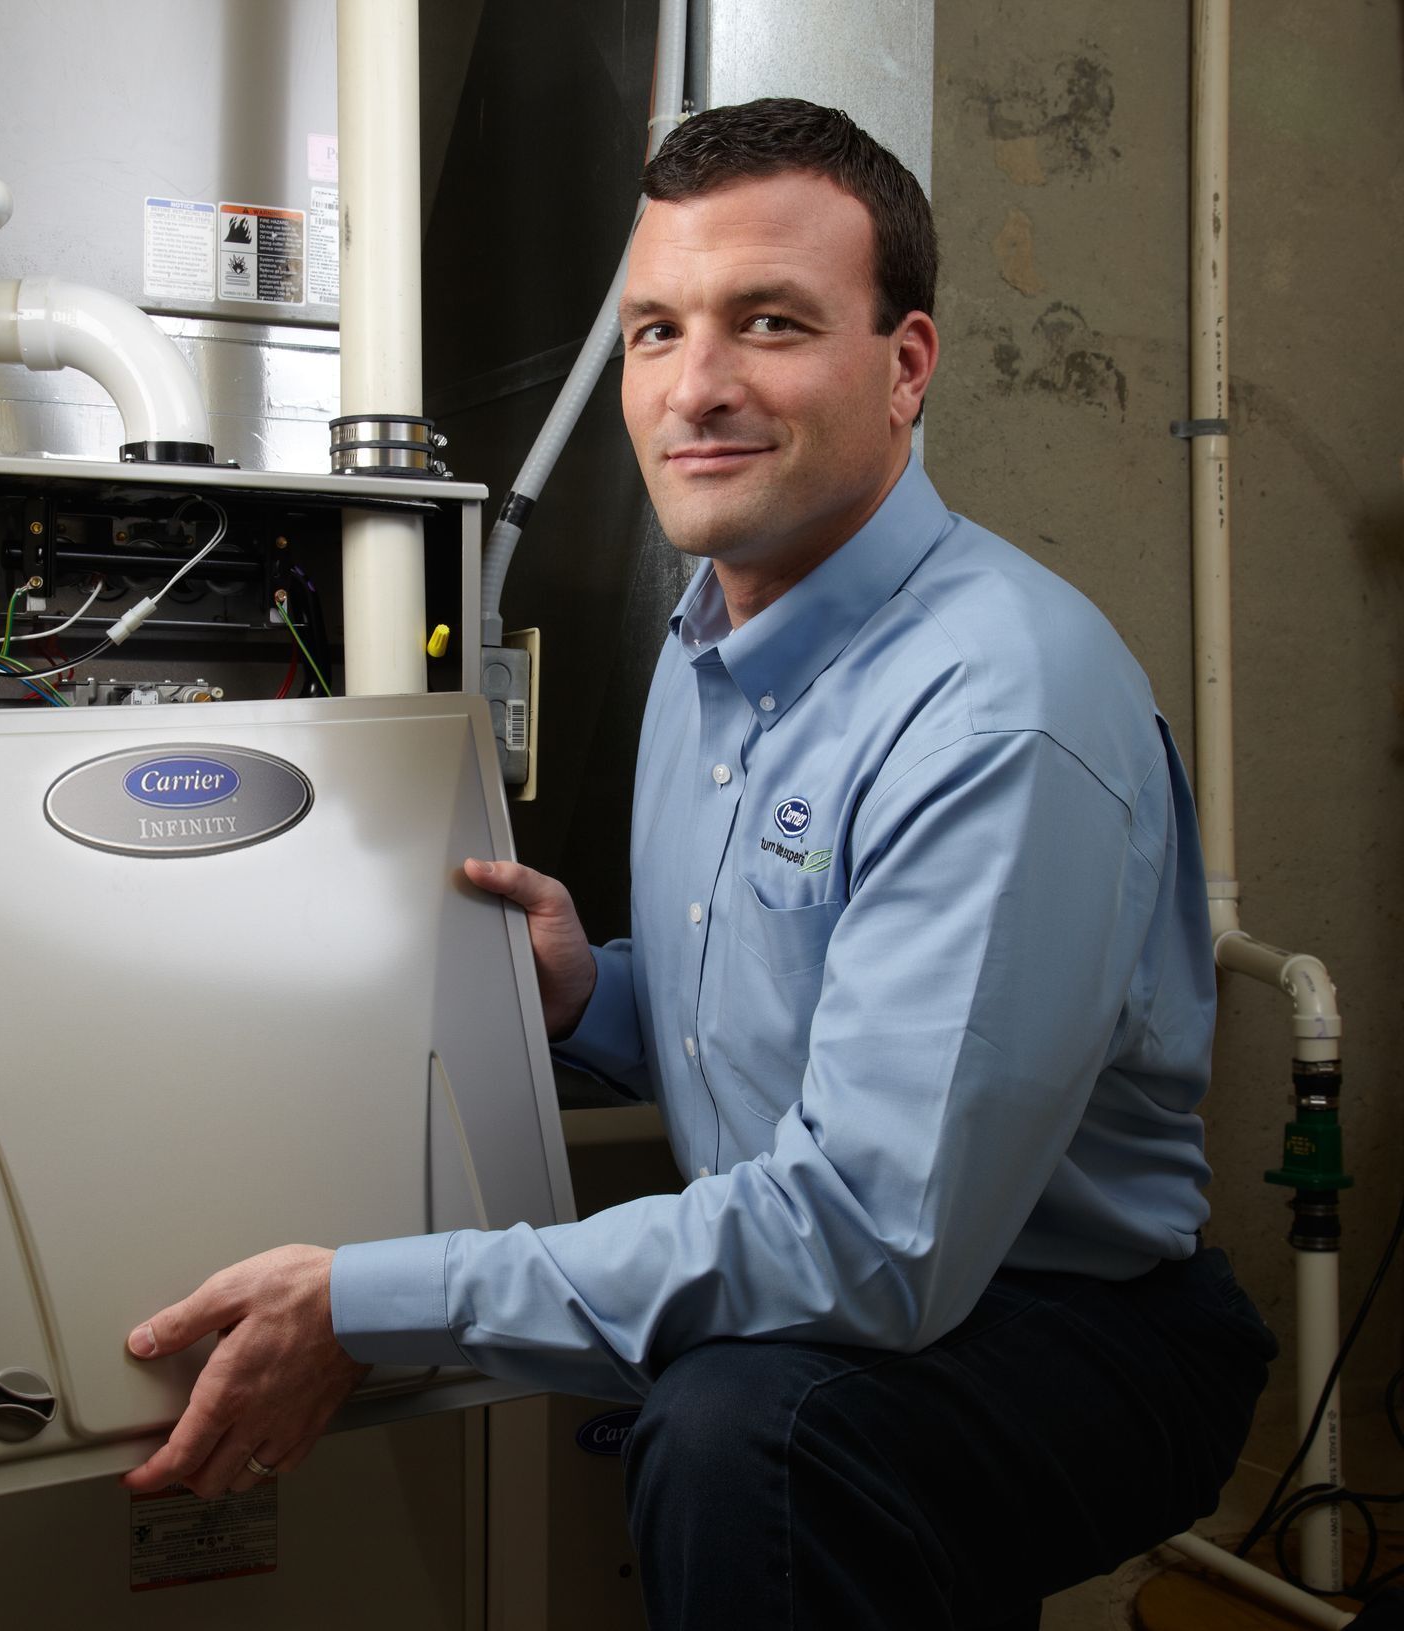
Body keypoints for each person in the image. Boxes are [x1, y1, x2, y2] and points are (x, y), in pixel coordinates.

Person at [119, 98, 1275, 1629]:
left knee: (750, 1437)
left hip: (1073, 1327)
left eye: (772, 323)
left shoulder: (998, 706)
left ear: (906, 364)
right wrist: (593, 990)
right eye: (656, 332)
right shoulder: (715, 637)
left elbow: (874, 1238)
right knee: (751, 1404)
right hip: (887, 1296)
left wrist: (367, 1300)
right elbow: (823, 991)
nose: (697, 387)